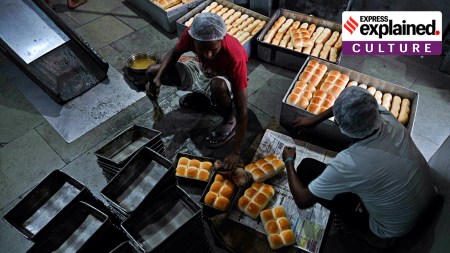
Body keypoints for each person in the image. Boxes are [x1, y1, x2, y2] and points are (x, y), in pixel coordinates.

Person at [282, 86, 436, 247]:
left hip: (391, 229)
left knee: (307, 168)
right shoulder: (385, 117)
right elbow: (350, 106)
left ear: (341, 127)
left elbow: (303, 199)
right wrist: (315, 119)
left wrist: (289, 162)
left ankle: (362, 231)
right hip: (426, 202)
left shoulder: (351, 162)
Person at [145, 13, 248, 170]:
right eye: (202, 49)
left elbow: (243, 110)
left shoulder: (235, 55)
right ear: (194, 40)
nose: (208, 54)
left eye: (213, 49)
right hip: (201, 69)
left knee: (218, 87)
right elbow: (174, 53)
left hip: (223, 79)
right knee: (152, 71)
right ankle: (204, 99)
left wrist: (236, 152)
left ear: (222, 39)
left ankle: (228, 120)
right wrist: (158, 79)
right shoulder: (190, 35)